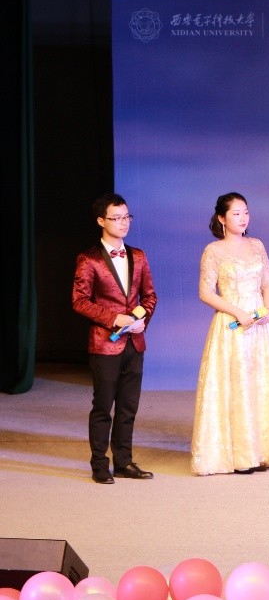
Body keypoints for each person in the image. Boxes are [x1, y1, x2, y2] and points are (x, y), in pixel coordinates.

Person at [191, 192, 269, 475]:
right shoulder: (213, 251)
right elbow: (205, 292)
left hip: (260, 326)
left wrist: (267, 310)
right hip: (232, 325)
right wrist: (238, 312)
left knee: (262, 383)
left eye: (246, 212)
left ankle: (264, 452)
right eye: (236, 213)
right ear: (221, 218)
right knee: (235, 385)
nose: (243, 218)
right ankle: (239, 455)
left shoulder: (256, 245)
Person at [71, 193, 158, 484]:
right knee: (103, 406)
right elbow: (79, 301)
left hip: (135, 342)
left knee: (128, 407)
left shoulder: (139, 255)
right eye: (116, 218)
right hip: (104, 343)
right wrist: (113, 318)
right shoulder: (89, 258)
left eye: (126, 217)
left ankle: (124, 461)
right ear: (101, 221)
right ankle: (99, 464)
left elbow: (150, 296)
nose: (123, 223)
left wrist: (142, 320)